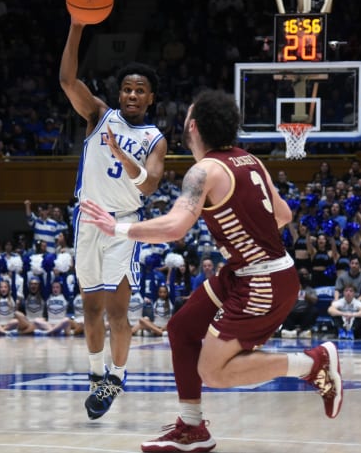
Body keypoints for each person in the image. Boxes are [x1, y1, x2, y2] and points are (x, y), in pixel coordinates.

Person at [80, 89, 342, 452]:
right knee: (182, 328)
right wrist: (245, 238)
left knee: (213, 371)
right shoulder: (249, 161)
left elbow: (174, 228)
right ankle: (192, 428)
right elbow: (283, 215)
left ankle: (312, 363)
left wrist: (118, 228)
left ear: (194, 126)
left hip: (261, 279)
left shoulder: (202, 172)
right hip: (250, 270)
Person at [60, 14, 168, 420]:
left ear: (151, 98)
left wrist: (123, 157)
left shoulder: (153, 138)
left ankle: (117, 377)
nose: (132, 95)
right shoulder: (98, 115)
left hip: (124, 225)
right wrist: (76, 27)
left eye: (140, 90)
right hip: (88, 219)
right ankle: (95, 376)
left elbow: (150, 185)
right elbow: (68, 81)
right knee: (89, 311)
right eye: (126, 89)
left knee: (117, 311)